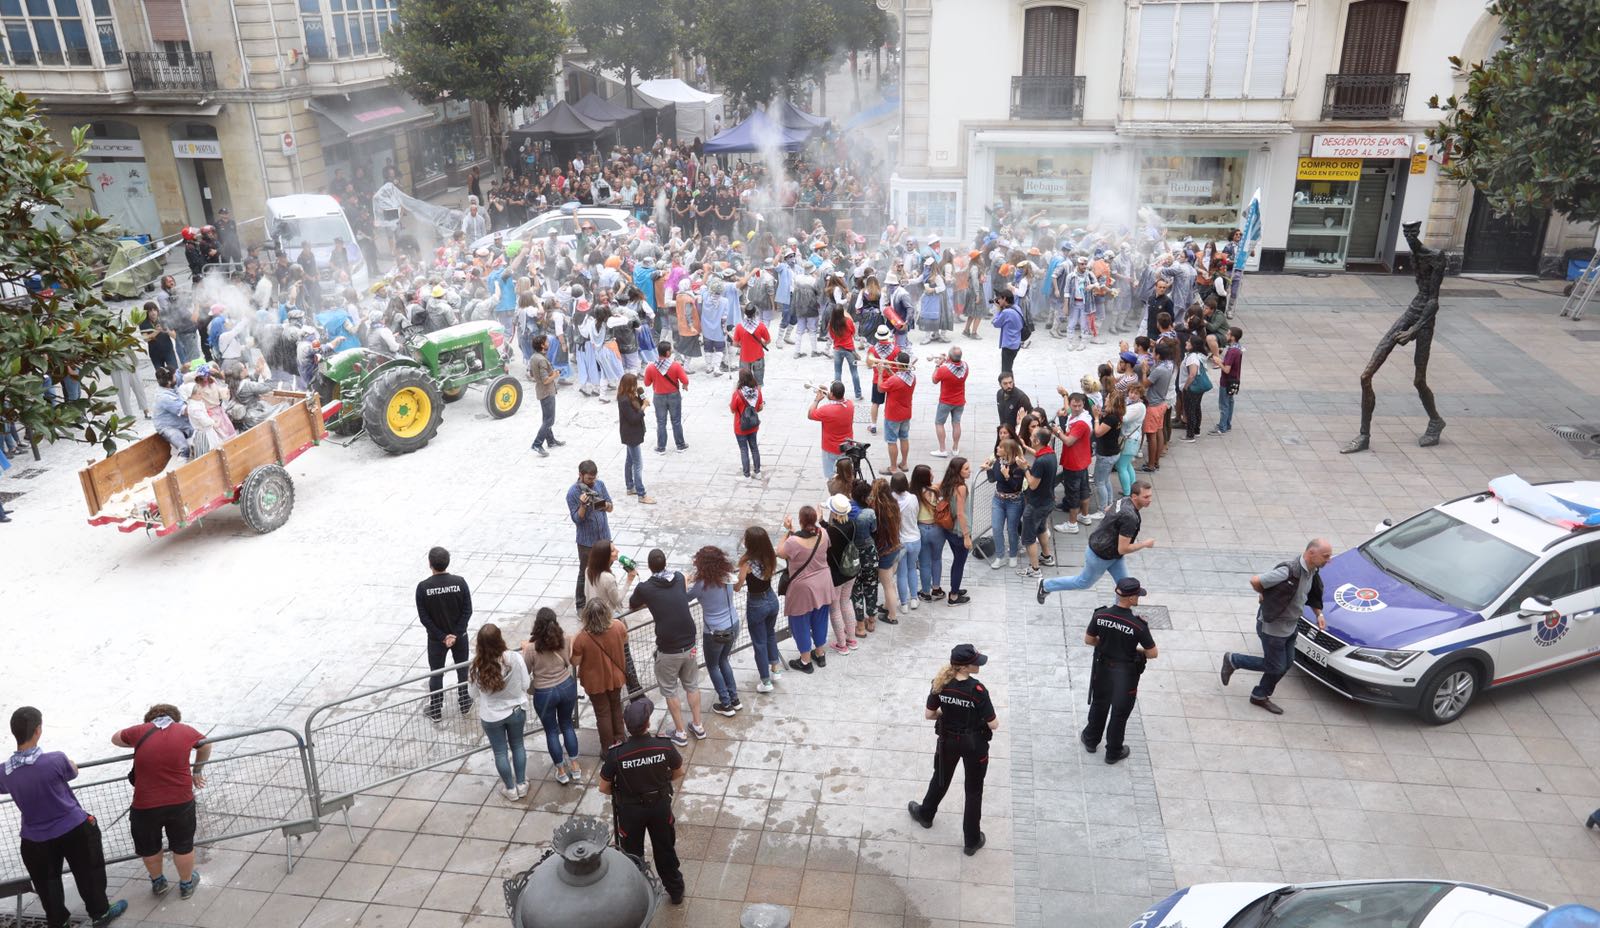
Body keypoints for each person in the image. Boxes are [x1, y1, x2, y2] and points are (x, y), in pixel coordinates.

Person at [3, 706, 129, 927]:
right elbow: (72, 772)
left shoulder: (4, 771)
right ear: (38, 730)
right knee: (90, 872)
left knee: (47, 884)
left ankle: (59, 921)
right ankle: (100, 913)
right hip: (74, 829)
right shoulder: (55, 760)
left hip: (34, 839)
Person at [1221, 539, 1333, 715]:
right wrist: (1264, 594)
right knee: (1276, 666)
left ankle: (1260, 695)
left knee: (1286, 663)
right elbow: (1256, 580)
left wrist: (1319, 614)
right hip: (1273, 628)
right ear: (1311, 553)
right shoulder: (1288, 571)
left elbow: (1311, 594)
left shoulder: (1312, 571)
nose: (1329, 560)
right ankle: (1234, 660)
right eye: (1326, 556)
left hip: (1291, 625)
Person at [906, 644, 998, 856]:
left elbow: (930, 714)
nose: (978, 665)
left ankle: (926, 815)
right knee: (973, 791)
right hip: (975, 745)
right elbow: (994, 724)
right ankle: (971, 840)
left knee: (941, 778)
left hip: (948, 741)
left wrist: (947, 714)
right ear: (965, 667)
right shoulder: (978, 691)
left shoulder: (940, 684)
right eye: (975, 662)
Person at [111, 704, 209, 900]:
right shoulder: (186, 731)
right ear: (175, 718)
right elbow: (206, 744)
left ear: (149, 719)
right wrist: (197, 770)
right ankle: (186, 884)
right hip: (181, 801)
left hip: (145, 805)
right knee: (183, 845)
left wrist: (139, 741)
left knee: (149, 847)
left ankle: (158, 883)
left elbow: (115, 738)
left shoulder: (139, 731)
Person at [599, 698, 686, 906]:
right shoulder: (663, 745)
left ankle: (637, 896)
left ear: (627, 726)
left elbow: (604, 787)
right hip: (659, 806)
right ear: (647, 723)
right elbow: (678, 772)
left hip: (630, 811)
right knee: (665, 849)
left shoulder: (617, 753)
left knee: (632, 854)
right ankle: (675, 891)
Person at [629, 549, 706, 747]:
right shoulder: (679, 578)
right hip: (690, 643)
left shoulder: (645, 588)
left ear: (650, 566)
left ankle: (680, 732)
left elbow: (632, 604)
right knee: (692, 685)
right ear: (665, 563)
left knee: (670, 690)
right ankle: (698, 725)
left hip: (668, 647)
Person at [1081, 577, 1159, 764]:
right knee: (1119, 713)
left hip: (1103, 670)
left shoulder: (1100, 615)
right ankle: (1113, 751)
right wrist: (1133, 650)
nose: (1138, 598)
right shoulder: (1138, 625)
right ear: (1131, 598)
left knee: (1099, 704)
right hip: (1126, 676)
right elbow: (1152, 653)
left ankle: (1091, 740)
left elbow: (1089, 640)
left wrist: (1108, 645)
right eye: (1137, 595)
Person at [1037, 482, 1156, 599]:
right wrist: (1144, 544)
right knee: (1083, 582)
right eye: (1146, 497)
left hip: (1110, 552)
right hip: (1100, 556)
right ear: (1134, 496)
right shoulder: (1130, 517)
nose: (1149, 499)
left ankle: (1118, 616)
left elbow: (1108, 508)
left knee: (1125, 588)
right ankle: (1045, 585)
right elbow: (1123, 548)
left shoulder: (1124, 500)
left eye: (1150, 496)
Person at [468, 624, 530, 802]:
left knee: (500, 752)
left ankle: (510, 789)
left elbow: (472, 694)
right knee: (518, 745)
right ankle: (522, 784)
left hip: (491, 716)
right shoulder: (514, 658)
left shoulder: (476, 667)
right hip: (516, 710)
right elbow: (526, 684)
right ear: (500, 639)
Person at [522, 608, 582, 785]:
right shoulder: (564, 640)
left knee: (551, 731)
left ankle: (561, 772)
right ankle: (576, 767)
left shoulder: (532, 649)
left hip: (544, 693)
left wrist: (525, 649)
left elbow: (525, 672)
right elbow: (570, 661)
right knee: (567, 725)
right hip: (566, 687)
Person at [416, 546, 474, 721]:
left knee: (436, 673)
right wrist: (455, 634)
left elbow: (424, 618)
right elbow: (467, 611)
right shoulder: (460, 582)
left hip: (436, 640)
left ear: (430, 564)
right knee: (462, 670)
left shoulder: (423, 587)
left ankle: (436, 710)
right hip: (460, 638)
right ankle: (464, 703)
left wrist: (442, 636)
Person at [778, 505, 834, 673]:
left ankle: (805, 661)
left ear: (801, 521)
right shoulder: (823, 533)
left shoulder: (793, 542)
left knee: (799, 623)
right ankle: (820, 653)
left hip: (803, 589)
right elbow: (809, 539)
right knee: (820, 619)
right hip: (824, 583)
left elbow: (781, 552)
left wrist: (786, 531)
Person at [688, 545, 740, 716]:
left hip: (714, 632)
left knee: (712, 666)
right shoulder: (728, 577)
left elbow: (685, 598)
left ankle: (725, 704)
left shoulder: (700, 585)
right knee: (724, 660)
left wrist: (685, 582)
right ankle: (734, 699)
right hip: (733, 625)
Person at [570, 600, 630, 751]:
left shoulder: (582, 638)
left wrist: (572, 642)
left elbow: (575, 662)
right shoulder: (618, 626)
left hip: (595, 683)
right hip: (616, 677)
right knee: (616, 708)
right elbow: (624, 641)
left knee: (602, 713)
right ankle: (621, 740)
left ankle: (608, 749)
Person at [736, 526, 783, 693]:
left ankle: (765, 681)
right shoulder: (770, 555)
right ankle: (775, 669)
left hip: (756, 603)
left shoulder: (746, 562)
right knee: (770, 634)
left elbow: (738, 585)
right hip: (772, 599)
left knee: (759, 643)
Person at [567, 460, 614, 610]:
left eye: (594, 478)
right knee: (585, 572)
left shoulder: (599, 485)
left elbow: (610, 507)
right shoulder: (573, 493)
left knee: (606, 568)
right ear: (580, 475)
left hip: (604, 536)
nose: (592, 482)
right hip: (587, 542)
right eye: (589, 479)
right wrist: (583, 505)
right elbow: (577, 519)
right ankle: (581, 605)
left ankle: (601, 597)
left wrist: (603, 504)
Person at [821, 493, 862, 653]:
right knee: (846, 602)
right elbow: (833, 531)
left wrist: (821, 522)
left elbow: (829, 534)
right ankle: (852, 639)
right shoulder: (852, 524)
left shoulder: (830, 531)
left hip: (836, 574)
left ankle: (841, 644)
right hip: (850, 570)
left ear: (835, 513)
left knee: (835, 607)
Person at [1017, 424, 1058, 579]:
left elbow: (1033, 484)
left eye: (1032, 436)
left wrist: (1024, 468)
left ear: (1036, 440)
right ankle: (1046, 557)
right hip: (1048, 501)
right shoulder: (1050, 454)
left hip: (1036, 504)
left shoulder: (1040, 462)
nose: (1030, 436)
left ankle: (1035, 569)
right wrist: (1024, 446)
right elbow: (1037, 454)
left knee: (1028, 538)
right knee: (1041, 529)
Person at [1052, 393, 1094, 534]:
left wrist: (1057, 431)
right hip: (1082, 461)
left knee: (1073, 494)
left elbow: (1069, 441)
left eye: (1079, 406)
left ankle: (1072, 524)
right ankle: (1085, 516)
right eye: (1074, 405)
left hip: (1074, 462)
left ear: (1084, 405)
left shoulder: (1080, 423)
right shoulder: (1083, 417)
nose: (1076, 408)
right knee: (1084, 489)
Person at [936, 458, 973, 605]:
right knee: (959, 563)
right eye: (966, 469)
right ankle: (954, 596)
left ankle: (955, 588)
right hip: (959, 531)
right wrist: (966, 537)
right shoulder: (961, 488)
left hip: (949, 529)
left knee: (957, 561)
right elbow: (960, 513)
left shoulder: (947, 483)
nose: (969, 470)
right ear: (958, 471)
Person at [984, 440, 1026, 570]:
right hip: (998, 499)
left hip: (1014, 501)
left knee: (1011, 529)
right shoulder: (999, 461)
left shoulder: (1018, 466)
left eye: (1001, 447)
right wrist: (989, 470)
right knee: (996, 528)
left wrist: (1007, 476)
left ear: (1008, 451)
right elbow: (993, 480)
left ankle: (1013, 554)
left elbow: (1016, 486)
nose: (997, 448)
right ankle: (1000, 556)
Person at [867, 477, 903, 625]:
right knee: (890, 582)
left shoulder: (877, 511)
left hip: (884, 552)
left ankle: (892, 616)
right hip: (895, 547)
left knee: (887, 585)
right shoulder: (893, 504)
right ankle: (887, 606)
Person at [644, 342, 689, 454]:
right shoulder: (675, 365)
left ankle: (661, 447)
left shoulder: (651, 367)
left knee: (661, 422)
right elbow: (685, 380)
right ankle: (680, 445)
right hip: (674, 395)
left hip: (659, 397)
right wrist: (684, 385)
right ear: (668, 352)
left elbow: (646, 383)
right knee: (676, 421)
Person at [616, 374, 655, 504]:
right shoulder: (624, 400)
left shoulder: (631, 396)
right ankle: (641, 494)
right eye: (634, 384)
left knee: (630, 460)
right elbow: (633, 418)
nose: (636, 387)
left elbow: (637, 404)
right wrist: (643, 407)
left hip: (633, 434)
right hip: (631, 435)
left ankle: (630, 486)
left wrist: (642, 399)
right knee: (638, 465)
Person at [807, 381, 855, 482]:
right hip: (847, 447)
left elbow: (810, 414)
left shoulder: (826, 410)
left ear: (832, 394)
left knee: (832, 478)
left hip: (831, 448)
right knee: (846, 475)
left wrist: (817, 400)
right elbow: (838, 400)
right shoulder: (850, 405)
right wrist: (827, 393)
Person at [881, 350, 916, 474]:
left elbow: (880, 388)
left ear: (900, 365)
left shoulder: (895, 380)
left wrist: (880, 373)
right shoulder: (912, 377)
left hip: (893, 414)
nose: (894, 363)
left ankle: (893, 467)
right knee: (904, 438)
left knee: (891, 441)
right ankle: (904, 463)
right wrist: (889, 370)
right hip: (906, 412)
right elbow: (897, 380)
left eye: (896, 362)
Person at [528, 334, 562, 456]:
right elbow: (546, 380)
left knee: (546, 418)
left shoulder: (534, 357)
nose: (548, 342)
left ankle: (551, 441)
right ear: (542, 345)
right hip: (547, 392)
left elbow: (531, 374)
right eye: (546, 341)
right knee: (549, 420)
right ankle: (537, 444)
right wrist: (556, 374)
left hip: (541, 391)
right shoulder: (541, 360)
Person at [931, 346, 967, 458]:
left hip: (946, 401)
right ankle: (955, 448)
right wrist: (945, 360)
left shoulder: (943, 369)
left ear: (950, 357)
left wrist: (938, 365)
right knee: (956, 423)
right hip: (960, 400)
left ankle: (942, 449)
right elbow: (954, 363)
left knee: (939, 423)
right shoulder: (965, 366)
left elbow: (934, 380)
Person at [584, 541, 637, 617]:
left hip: (593, 614)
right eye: (613, 550)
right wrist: (629, 580)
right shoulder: (608, 578)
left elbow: (586, 593)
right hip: (607, 618)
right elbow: (617, 600)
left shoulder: (588, 570)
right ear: (605, 557)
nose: (617, 551)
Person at [863, 325, 897, 435]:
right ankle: (892, 425)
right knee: (891, 403)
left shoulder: (872, 349)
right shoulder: (896, 349)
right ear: (888, 335)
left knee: (875, 403)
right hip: (892, 379)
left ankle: (873, 425)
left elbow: (868, 364)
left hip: (878, 379)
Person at [730, 368, 764, 478]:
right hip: (753, 426)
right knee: (754, 447)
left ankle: (746, 475)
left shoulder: (737, 394)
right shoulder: (757, 392)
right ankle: (757, 471)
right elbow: (759, 408)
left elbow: (732, 410)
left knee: (744, 450)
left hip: (740, 426)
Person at [1212, 326, 1243, 435]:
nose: (1226, 335)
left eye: (1228, 334)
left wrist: (1218, 361)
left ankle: (1222, 427)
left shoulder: (1232, 351)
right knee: (1230, 402)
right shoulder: (1238, 348)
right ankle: (1227, 424)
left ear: (1233, 337)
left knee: (1224, 404)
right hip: (1234, 380)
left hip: (1226, 381)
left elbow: (1226, 369)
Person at [827, 304, 862, 399]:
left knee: (837, 372)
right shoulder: (848, 321)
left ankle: (837, 395)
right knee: (854, 372)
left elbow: (832, 336)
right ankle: (858, 394)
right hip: (849, 349)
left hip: (837, 349)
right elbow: (853, 333)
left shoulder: (831, 323)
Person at [732, 304, 771, 386]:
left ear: (745, 313)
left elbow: (735, 343)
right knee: (759, 382)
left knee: (744, 382)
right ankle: (758, 398)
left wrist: (743, 345)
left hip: (744, 357)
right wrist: (761, 344)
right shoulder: (761, 326)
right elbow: (768, 340)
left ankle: (746, 397)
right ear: (755, 313)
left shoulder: (739, 326)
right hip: (758, 357)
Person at [990, 288, 1023, 374]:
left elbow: (995, 323)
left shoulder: (1006, 312)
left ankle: (1009, 386)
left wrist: (998, 309)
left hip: (1009, 345)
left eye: (1000, 298)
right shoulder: (1017, 307)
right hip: (1016, 342)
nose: (998, 301)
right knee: (1009, 368)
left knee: (1006, 371)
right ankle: (1010, 385)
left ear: (1004, 299)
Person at [995, 372, 1031, 439]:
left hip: (1015, 435)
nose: (1009, 386)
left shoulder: (1022, 398)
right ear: (1000, 384)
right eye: (1005, 383)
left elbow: (1030, 418)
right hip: (1003, 432)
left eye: (1010, 382)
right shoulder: (999, 394)